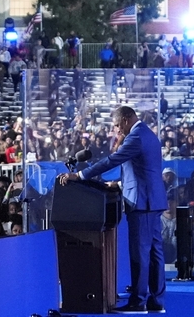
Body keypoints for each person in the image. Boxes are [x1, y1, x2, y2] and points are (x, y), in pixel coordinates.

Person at [68, 105, 167, 313]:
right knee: (155, 252)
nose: (116, 130)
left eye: (116, 125)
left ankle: (138, 302)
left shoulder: (136, 137)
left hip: (142, 202)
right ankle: (156, 300)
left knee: (140, 253)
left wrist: (80, 175)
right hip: (152, 201)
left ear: (125, 119)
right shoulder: (147, 134)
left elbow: (113, 160)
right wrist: (120, 185)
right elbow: (141, 169)